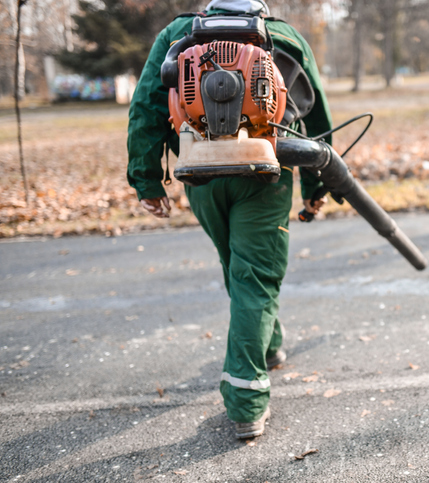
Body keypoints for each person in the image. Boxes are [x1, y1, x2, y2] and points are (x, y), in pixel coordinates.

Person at [126, 0, 332, 438]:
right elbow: (314, 119)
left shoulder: (178, 33)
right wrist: (316, 190)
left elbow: (146, 106)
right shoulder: (285, 36)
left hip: (199, 172)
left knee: (240, 268)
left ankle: (269, 345)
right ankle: (246, 401)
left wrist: (147, 180)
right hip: (265, 174)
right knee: (254, 275)